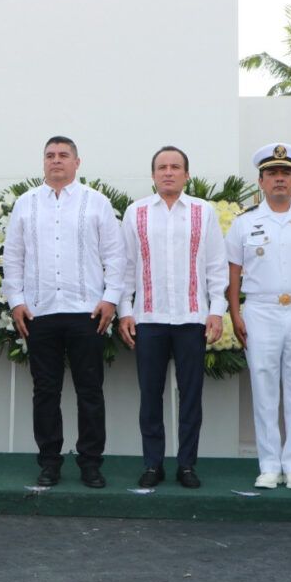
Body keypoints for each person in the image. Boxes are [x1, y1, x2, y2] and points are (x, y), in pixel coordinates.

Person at [3, 136, 126, 488]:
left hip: (87, 311)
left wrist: (111, 298)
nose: (56, 161)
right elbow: (13, 257)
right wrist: (16, 301)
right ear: (43, 162)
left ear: (77, 162)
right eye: (50, 156)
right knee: (45, 391)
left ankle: (90, 463)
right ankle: (50, 462)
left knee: (90, 390)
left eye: (63, 155)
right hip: (40, 312)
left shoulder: (96, 203)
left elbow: (115, 256)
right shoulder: (26, 204)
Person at [225, 143, 291, 490]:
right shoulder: (245, 223)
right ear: (260, 181)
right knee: (264, 387)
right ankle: (269, 465)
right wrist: (235, 312)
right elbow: (233, 274)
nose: (279, 179)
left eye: (285, 173)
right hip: (260, 309)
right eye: (272, 173)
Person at [118, 146, 227, 489]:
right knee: (150, 395)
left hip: (191, 317)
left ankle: (187, 465)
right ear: (153, 175)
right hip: (148, 317)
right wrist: (125, 310)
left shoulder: (202, 211)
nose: (168, 172)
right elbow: (125, 268)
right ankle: (153, 464)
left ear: (186, 174)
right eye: (162, 167)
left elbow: (215, 265)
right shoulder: (135, 213)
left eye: (175, 167)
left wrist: (216, 310)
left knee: (191, 396)